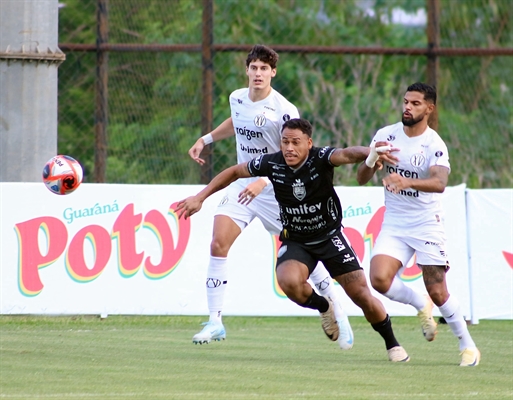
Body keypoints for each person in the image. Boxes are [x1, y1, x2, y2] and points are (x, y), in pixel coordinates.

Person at [178, 118, 410, 362]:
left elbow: (347, 154)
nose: (289, 148)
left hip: (329, 237)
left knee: (361, 295)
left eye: (295, 142)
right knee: (288, 282)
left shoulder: (320, 158)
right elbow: (235, 171)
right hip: (297, 240)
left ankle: (392, 343)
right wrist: (200, 197)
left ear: (309, 143)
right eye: (285, 142)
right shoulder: (273, 163)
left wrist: (370, 151)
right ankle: (324, 307)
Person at [188, 44, 353, 349]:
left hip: (277, 190)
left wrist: (263, 180)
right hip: (242, 185)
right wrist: (206, 138)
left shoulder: (284, 109)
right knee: (217, 242)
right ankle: (215, 321)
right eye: (254, 68)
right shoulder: (236, 97)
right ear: (247, 70)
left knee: (304, 252)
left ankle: (332, 304)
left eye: (265, 68)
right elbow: (238, 122)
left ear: (273, 73)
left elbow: (292, 154)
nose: (258, 73)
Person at [356, 82, 480, 367]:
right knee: (378, 279)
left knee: (438, 289)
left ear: (429, 108)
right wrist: (372, 157)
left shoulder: (434, 144)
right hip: (395, 222)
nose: (407, 108)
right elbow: (361, 177)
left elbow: (439, 183)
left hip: (426, 224)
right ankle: (419, 303)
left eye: (415, 104)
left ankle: (468, 346)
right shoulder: (386, 135)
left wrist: (406, 181)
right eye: (405, 102)